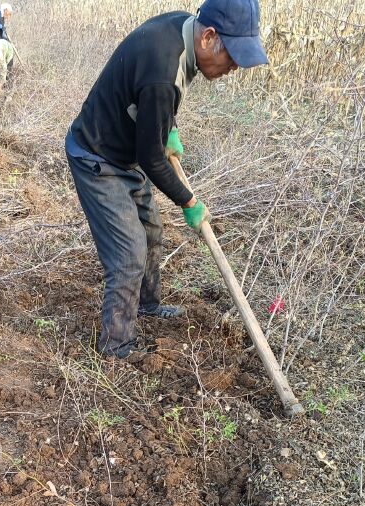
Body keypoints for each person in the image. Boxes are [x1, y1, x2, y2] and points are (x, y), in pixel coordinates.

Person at [66, 0, 268, 359]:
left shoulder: (182, 27)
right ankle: (117, 347)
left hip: (125, 149)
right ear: (209, 37)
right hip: (97, 157)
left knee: (152, 231)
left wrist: (166, 127)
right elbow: (151, 158)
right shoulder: (164, 69)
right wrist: (189, 201)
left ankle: (147, 304)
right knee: (129, 254)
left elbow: (151, 102)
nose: (233, 68)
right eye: (233, 57)